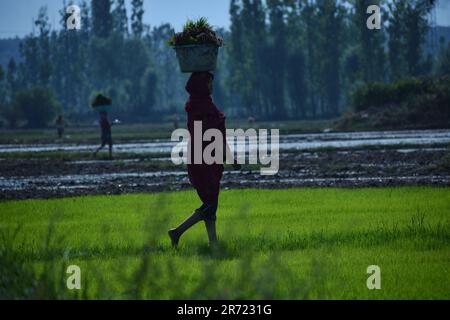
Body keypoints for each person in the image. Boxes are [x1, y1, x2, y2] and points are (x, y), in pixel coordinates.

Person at [168, 72, 239, 248]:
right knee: (210, 203)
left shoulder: (194, 105)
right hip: (207, 158)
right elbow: (217, 136)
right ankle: (177, 232)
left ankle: (213, 243)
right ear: (202, 85)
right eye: (208, 83)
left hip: (197, 155)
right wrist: (230, 158)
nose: (211, 86)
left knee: (211, 201)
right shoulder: (206, 108)